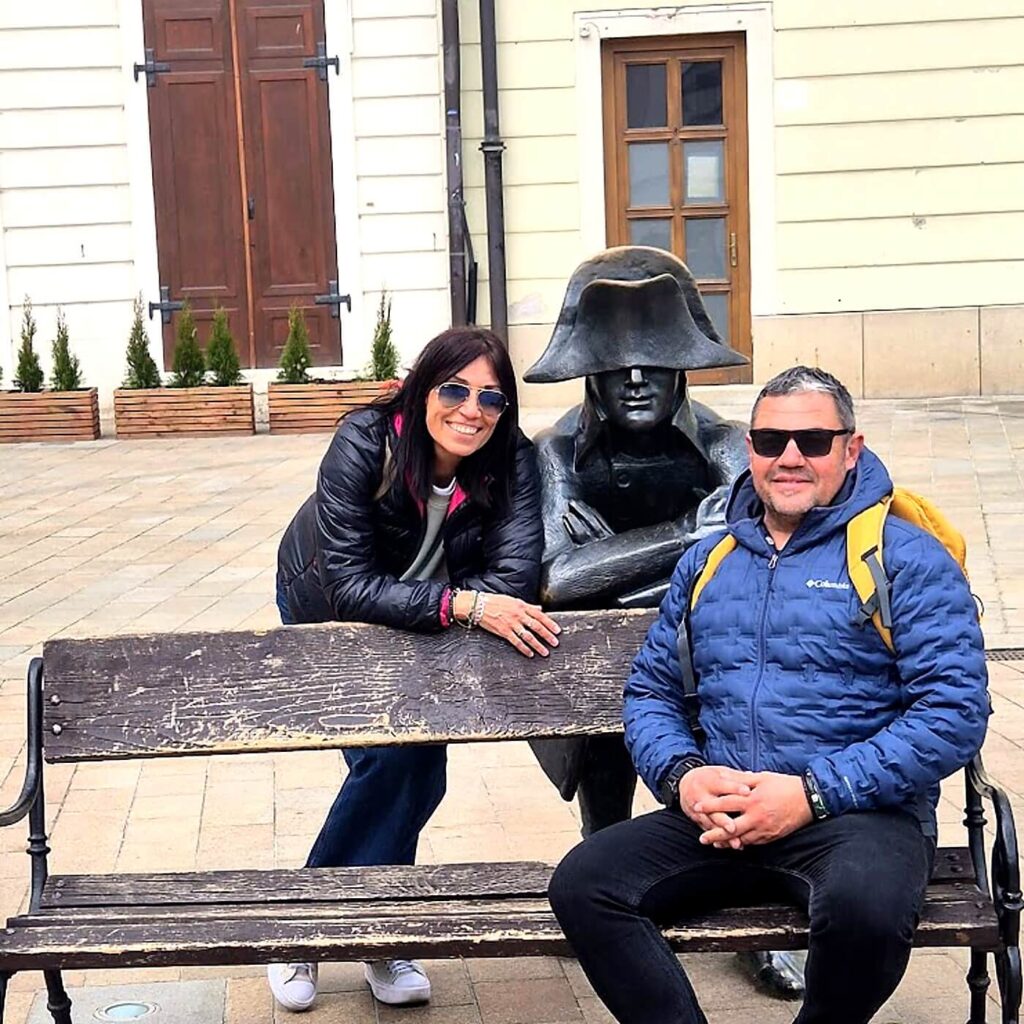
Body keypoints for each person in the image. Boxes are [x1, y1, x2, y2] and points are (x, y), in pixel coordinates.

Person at [548, 365, 990, 1024]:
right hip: (725, 813)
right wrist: (684, 777)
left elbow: (953, 714)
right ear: (750, 448)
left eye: (813, 441)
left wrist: (811, 794)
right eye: (770, 441)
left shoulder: (906, 560)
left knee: (865, 911)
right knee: (585, 886)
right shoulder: (709, 561)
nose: (789, 458)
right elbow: (651, 690)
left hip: (859, 816)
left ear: (851, 449)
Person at [269, 326, 558, 1013]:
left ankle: (343, 926)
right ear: (422, 389)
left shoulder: (511, 458)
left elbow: (514, 577)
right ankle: (345, 928)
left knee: (408, 763)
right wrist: (462, 603)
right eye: (455, 390)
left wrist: (461, 604)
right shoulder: (364, 440)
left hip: (432, 627)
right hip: (331, 616)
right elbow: (349, 585)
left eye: (491, 398)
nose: (472, 411)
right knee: (399, 763)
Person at [523, 246, 748, 838]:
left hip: (710, 662)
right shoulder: (558, 452)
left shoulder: (726, 446)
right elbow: (557, 581)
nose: (637, 380)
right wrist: (686, 535)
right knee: (604, 794)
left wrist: (612, 573)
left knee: (714, 804)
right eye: (616, 366)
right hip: (599, 670)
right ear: (589, 373)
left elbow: (756, 555)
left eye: (655, 362)